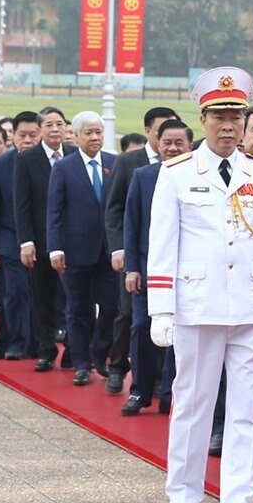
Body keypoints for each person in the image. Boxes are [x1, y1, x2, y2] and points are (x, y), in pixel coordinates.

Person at [148, 67, 253, 503]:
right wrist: (161, 308)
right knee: (193, 404)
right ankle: (183, 497)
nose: (228, 126)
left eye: (236, 117)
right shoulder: (178, 174)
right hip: (197, 303)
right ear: (202, 119)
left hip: (249, 304)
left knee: (248, 410)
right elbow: (163, 244)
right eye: (219, 117)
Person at [106, 107, 180, 387]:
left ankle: (164, 383)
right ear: (151, 133)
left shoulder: (193, 168)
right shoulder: (131, 164)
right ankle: (119, 366)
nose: (171, 144)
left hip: (176, 264)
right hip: (139, 256)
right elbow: (117, 210)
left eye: (177, 138)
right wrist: (120, 249)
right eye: (164, 133)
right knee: (131, 317)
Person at [121, 118, 190, 414]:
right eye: (167, 143)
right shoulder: (143, 176)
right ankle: (139, 392)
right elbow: (132, 225)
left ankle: (169, 393)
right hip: (150, 271)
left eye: (180, 143)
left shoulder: (198, 176)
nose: (173, 148)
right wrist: (133, 268)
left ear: (190, 146)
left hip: (187, 273)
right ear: (157, 144)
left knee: (180, 335)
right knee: (142, 328)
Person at [48, 111, 118, 386]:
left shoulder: (114, 163)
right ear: (75, 137)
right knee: (78, 309)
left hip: (108, 251)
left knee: (112, 306)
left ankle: (100, 352)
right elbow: (54, 210)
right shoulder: (63, 167)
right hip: (75, 251)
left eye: (98, 132)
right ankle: (81, 363)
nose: (94, 137)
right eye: (88, 132)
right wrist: (56, 248)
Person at [16, 106, 72, 371]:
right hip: (39, 240)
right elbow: (22, 204)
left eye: (59, 124)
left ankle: (74, 349)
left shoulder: (74, 155)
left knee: (74, 297)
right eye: (48, 125)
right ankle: (46, 349)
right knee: (43, 297)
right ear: (40, 130)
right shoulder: (27, 160)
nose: (54, 129)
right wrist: (26, 241)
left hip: (71, 239)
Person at [0, 113, 37, 359]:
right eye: (22, 135)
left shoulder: (51, 163)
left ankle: (38, 342)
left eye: (32, 135)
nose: (27, 140)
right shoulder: (1, 165)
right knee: (14, 293)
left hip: (43, 242)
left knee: (40, 295)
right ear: (12, 137)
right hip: (9, 241)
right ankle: (17, 343)